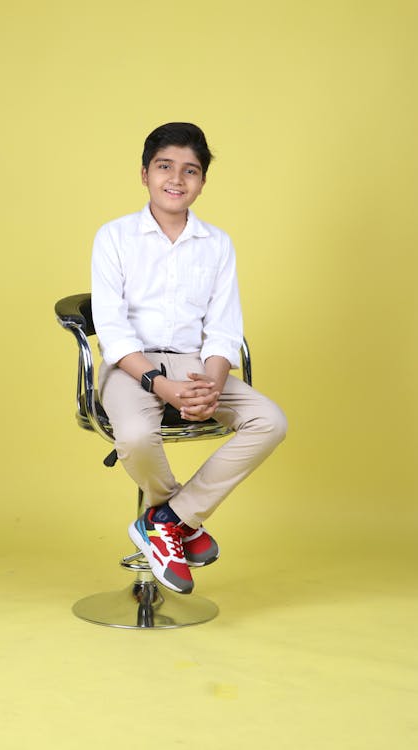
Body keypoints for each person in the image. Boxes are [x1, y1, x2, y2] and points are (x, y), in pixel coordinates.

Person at [91, 122, 287, 595]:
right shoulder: (114, 237)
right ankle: (180, 522)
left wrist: (212, 385)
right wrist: (161, 385)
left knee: (270, 421)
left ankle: (164, 521)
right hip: (131, 366)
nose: (176, 179)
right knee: (136, 435)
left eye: (190, 170)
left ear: (202, 181)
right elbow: (113, 332)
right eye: (164, 167)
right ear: (145, 174)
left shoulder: (216, 244)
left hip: (196, 364)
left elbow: (223, 328)